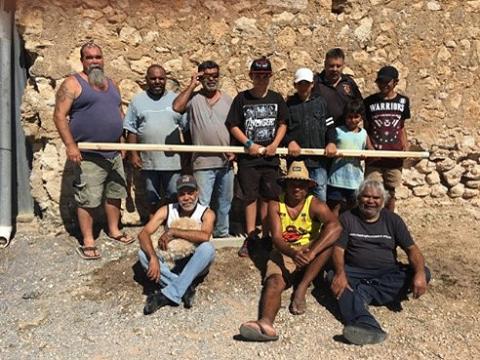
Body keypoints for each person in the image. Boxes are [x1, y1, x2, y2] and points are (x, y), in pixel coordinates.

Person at [239, 161, 342, 341]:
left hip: (310, 250)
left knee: (329, 244)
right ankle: (265, 323)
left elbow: (335, 226)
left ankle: (301, 288)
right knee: (273, 282)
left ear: (308, 187)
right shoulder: (275, 204)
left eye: (301, 184)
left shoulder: (315, 204)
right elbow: (277, 238)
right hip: (285, 251)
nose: (297, 188)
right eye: (293, 183)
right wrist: (294, 254)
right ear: (285, 185)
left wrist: (311, 251)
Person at [53, 41, 133, 260]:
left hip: (114, 152)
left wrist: (122, 141)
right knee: (87, 198)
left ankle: (114, 230)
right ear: (82, 61)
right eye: (90, 58)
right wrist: (70, 145)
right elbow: (59, 116)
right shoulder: (72, 84)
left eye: (98, 57)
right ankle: (88, 240)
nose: (95, 61)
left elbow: (119, 113)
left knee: (115, 193)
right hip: (87, 154)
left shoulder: (111, 84)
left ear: (103, 59)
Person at [329, 179, 430, 345]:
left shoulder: (393, 220)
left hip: (387, 273)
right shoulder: (347, 218)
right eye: (366, 196)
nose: (370, 201)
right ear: (358, 198)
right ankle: (368, 326)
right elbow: (338, 250)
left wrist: (419, 274)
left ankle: (363, 294)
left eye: (376, 198)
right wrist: (340, 274)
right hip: (355, 271)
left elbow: (412, 249)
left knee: (424, 272)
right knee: (333, 277)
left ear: (383, 201)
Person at [226, 56, 288, 257]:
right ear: (251, 76)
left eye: (265, 75)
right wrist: (248, 144)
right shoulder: (242, 98)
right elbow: (233, 124)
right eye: (258, 75)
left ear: (270, 76)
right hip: (249, 160)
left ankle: (268, 236)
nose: (261, 79)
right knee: (250, 197)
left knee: (270, 197)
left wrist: (275, 144)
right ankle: (251, 236)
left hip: (270, 159)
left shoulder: (277, 98)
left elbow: (283, 123)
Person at [138, 174, 216, 314]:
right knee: (142, 254)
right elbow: (143, 234)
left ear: (197, 193)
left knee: (207, 248)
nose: (186, 198)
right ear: (177, 195)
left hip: (195, 263)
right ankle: (184, 287)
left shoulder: (206, 213)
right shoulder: (167, 210)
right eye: (182, 194)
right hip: (172, 261)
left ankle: (166, 294)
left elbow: (205, 236)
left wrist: (174, 232)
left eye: (190, 193)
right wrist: (153, 258)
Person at [172, 61, 234, 238]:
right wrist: (192, 84)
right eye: (207, 76)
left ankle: (222, 233)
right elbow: (177, 107)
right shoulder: (194, 99)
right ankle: (200, 234)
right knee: (203, 203)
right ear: (201, 77)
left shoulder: (228, 100)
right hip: (202, 162)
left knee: (224, 202)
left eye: (215, 75)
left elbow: (236, 127)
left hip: (226, 162)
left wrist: (234, 150)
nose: (212, 79)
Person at [123, 64, 186, 215]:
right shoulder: (138, 101)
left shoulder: (176, 100)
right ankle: (154, 223)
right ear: (146, 80)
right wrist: (134, 154)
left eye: (161, 78)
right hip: (148, 160)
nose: (157, 81)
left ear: (165, 80)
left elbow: (186, 127)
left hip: (173, 161)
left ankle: (172, 222)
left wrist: (187, 155)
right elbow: (131, 129)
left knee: (173, 194)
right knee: (152, 195)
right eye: (153, 78)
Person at [286, 67, 337, 202]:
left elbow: (330, 127)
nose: (303, 87)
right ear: (295, 85)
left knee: (319, 195)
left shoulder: (321, 103)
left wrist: (332, 142)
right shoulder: (289, 105)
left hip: (318, 161)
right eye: (300, 83)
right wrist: (289, 141)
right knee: (295, 196)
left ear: (312, 84)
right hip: (297, 161)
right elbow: (283, 129)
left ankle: (318, 223)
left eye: (306, 83)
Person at [364, 65, 410, 212]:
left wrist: (405, 144)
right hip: (375, 155)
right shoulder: (369, 102)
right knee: (372, 190)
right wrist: (369, 147)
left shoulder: (403, 102)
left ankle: (390, 220)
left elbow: (401, 125)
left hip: (394, 154)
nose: (383, 85)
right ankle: (373, 219)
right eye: (380, 82)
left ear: (395, 82)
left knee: (390, 191)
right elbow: (366, 127)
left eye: (386, 82)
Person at [327, 100, 373, 215]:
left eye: (356, 117)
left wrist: (366, 155)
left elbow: (371, 150)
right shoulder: (337, 131)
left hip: (355, 180)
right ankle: (334, 230)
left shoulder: (363, 134)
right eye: (349, 117)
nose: (353, 120)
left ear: (361, 117)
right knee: (334, 207)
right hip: (336, 179)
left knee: (353, 209)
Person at [312, 48, 363, 126]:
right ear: (325, 64)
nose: (335, 69)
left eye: (338, 66)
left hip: (347, 133)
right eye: (331, 66)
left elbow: (360, 106)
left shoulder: (349, 82)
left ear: (343, 66)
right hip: (324, 133)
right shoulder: (315, 83)